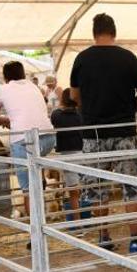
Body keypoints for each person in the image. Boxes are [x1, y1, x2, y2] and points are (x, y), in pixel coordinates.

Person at [69, 13, 137, 252]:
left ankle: (104, 237)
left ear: (94, 33)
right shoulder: (127, 57)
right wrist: (133, 105)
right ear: (114, 32)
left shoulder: (82, 59)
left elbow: (74, 96)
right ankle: (134, 240)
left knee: (96, 188)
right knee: (131, 187)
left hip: (93, 135)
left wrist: (90, 107)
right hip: (124, 132)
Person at [0, 61, 55, 217]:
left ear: (5, 76)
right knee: (35, 172)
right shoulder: (33, 86)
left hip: (24, 141)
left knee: (28, 191)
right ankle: (40, 180)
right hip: (48, 138)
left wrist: (4, 120)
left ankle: (35, 237)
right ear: (23, 74)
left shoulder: (2, 89)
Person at [50, 88, 83, 216]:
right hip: (84, 151)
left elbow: (55, 117)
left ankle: (78, 223)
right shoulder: (81, 114)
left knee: (73, 193)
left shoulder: (56, 115)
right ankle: (92, 219)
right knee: (91, 187)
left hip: (68, 155)